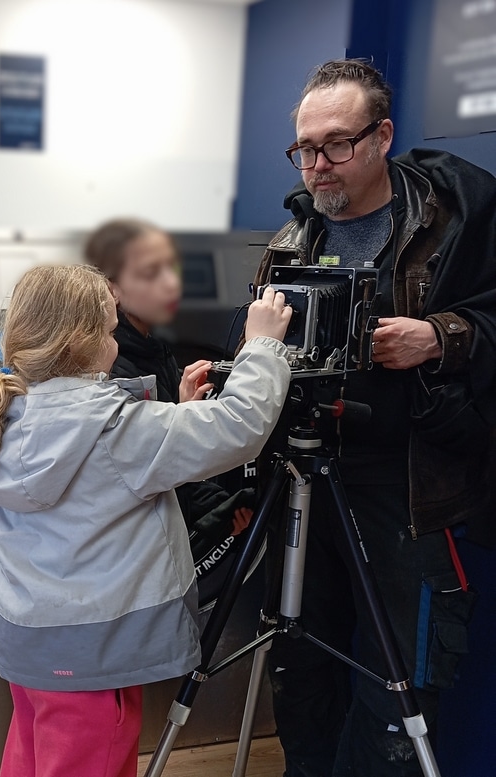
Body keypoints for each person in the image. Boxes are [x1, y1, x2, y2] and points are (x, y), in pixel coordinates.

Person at [253, 58, 496, 776]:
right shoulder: (292, 240)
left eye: (336, 146)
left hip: (410, 490)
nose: (316, 167)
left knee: (398, 688)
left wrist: (441, 336)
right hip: (306, 476)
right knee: (302, 668)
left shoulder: (455, 223)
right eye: (304, 149)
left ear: (382, 135)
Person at [0, 263, 292, 777]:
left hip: (28, 650)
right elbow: (239, 427)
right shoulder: (116, 430)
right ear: (92, 341)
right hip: (97, 657)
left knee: (31, 760)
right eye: (112, 327)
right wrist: (262, 347)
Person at [84, 218, 254, 576]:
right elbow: (140, 476)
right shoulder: (114, 367)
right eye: (149, 274)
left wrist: (216, 511)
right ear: (111, 288)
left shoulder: (155, 348)